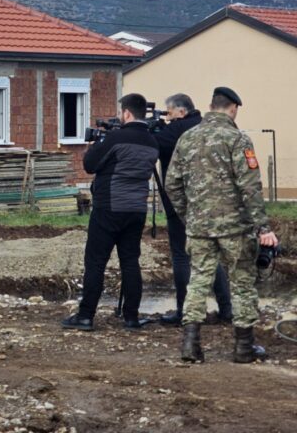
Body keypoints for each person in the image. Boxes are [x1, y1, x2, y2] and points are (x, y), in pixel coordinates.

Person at [166, 87, 279, 363]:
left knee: (198, 282)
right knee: (241, 283)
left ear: (210, 106)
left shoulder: (187, 138)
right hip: (234, 229)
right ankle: (243, 347)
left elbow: (172, 185)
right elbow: (250, 187)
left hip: (199, 227)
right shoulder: (238, 139)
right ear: (233, 108)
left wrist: (188, 215)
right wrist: (263, 228)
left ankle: (191, 346)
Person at [62, 94, 158, 331]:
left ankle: (85, 316)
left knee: (95, 262)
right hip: (136, 209)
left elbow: (90, 164)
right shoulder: (152, 142)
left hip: (109, 206)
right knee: (130, 261)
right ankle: (132, 317)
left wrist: (98, 144)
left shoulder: (116, 137)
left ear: (126, 113)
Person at [153, 93, 232, 325]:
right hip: (209, 203)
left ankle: (183, 311)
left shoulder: (177, 131)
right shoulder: (203, 126)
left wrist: (151, 129)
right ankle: (226, 307)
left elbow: (152, 145)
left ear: (181, 111)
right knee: (209, 254)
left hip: (181, 204)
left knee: (181, 255)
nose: (167, 119)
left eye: (169, 113)